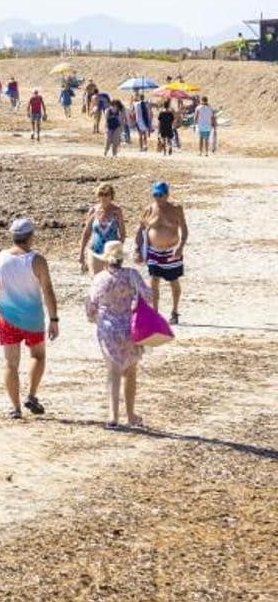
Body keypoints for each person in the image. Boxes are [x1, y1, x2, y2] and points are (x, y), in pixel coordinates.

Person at [0, 219, 60, 420]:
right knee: (38, 356)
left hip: (8, 318)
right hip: (33, 318)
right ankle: (31, 395)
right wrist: (54, 319)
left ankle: (15, 408)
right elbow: (48, 290)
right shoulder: (37, 260)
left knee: (10, 363)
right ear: (31, 236)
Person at [85, 240, 154, 428]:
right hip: (130, 328)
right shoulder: (132, 275)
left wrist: (94, 319)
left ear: (106, 260)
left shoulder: (100, 278)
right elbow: (148, 295)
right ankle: (131, 415)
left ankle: (113, 417)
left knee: (113, 371)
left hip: (108, 329)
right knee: (131, 372)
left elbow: (91, 306)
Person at [135, 182, 188, 323]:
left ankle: (175, 312)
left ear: (167, 194)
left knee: (173, 280)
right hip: (154, 252)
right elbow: (140, 230)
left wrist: (181, 247)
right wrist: (138, 250)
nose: (158, 198)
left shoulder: (176, 209)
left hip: (172, 252)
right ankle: (155, 313)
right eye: (155, 195)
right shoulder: (149, 210)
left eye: (160, 195)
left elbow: (184, 230)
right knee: (153, 281)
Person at [78, 184, 127, 275]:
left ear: (111, 196)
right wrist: (81, 253)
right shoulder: (93, 211)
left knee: (112, 280)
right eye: (101, 194)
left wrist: (118, 250)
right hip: (95, 250)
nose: (103, 197)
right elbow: (86, 233)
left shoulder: (116, 211)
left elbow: (123, 233)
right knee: (96, 280)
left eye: (106, 194)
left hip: (112, 253)